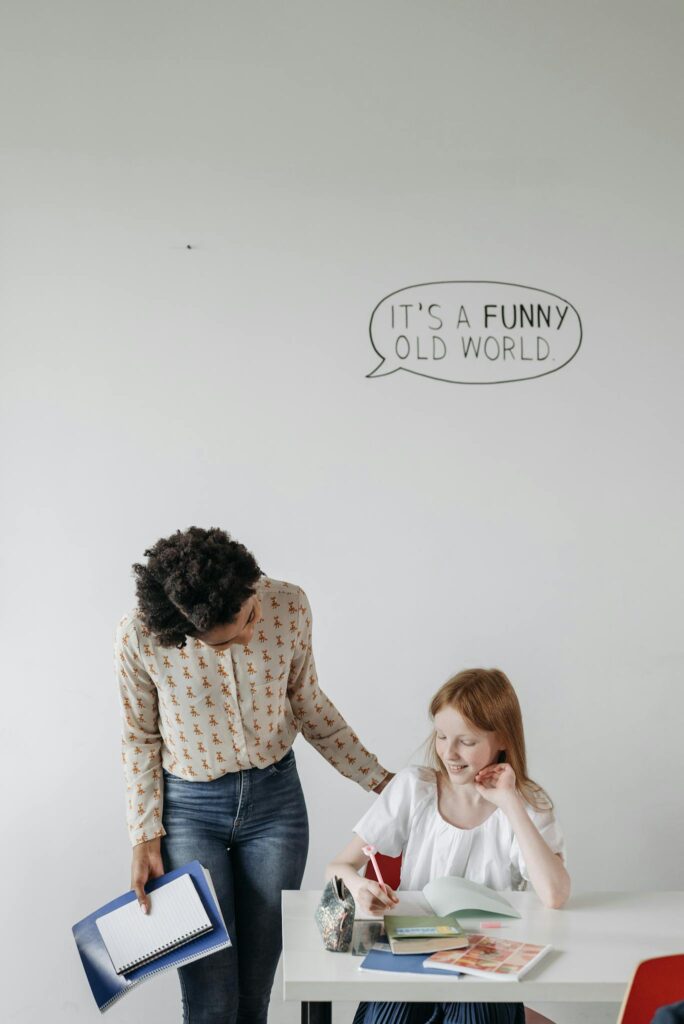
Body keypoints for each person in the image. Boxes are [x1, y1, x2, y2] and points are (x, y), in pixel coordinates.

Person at [114, 526, 392, 1024]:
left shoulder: (288, 606)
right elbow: (140, 737)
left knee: (254, 990)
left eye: (246, 618)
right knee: (210, 993)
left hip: (276, 804)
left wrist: (382, 781)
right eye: (227, 641)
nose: (248, 633)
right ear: (186, 631)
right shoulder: (140, 637)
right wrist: (144, 837)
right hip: (188, 811)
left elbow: (308, 703)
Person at [326, 668, 571, 1024]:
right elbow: (338, 867)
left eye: (466, 742)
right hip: (412, 954)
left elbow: (555, 895)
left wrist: (511, 803)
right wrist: (362, 887)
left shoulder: (526, 807)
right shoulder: (415, 787)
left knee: (474, 1010)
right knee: (388, 1016)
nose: (449, 753)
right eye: (441, 736)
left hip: (484, 962)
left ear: (502, 739)